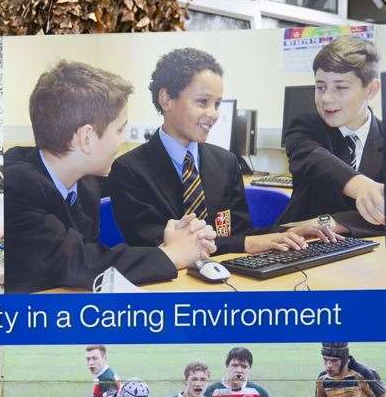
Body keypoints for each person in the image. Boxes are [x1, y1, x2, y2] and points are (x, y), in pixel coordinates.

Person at [4, 60, 217, 292]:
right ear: (86, 138)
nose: (122, 139)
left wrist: (170, 243)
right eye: (119, 129)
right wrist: (172, 254)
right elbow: (81, 263)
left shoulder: (86, 184)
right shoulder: (17, 186)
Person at [110, 48, 338, 256]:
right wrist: (245, 244)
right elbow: (159, 248)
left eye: (217, 104)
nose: (213, 114)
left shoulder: (226, 162)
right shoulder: (129, 170)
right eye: (202, 102)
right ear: (166, 99)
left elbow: (239, 234)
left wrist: (293, 230)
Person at [278, 36, 386, 235]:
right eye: (320, 87)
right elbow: (315, 160)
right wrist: (362, 186)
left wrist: (333, 223)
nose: (326, 98)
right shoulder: (305, 126)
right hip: (301, 243)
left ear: (371, 89)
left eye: (341, 87)